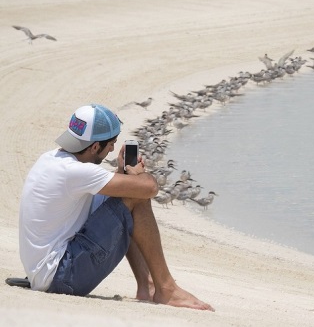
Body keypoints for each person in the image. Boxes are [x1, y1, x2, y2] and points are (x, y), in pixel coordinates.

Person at [19, 104, 213, 311]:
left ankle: (147, 286)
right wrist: (137, 174)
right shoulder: (76, 172)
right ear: (94, 147)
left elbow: (101, 199)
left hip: (45, 272)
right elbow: (150, 188)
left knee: (125, 194)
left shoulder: (51, 159)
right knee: (135, 196)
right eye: (111, 143)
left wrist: (121, 172)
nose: (112, 149)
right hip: (63, 277)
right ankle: (167, 289)